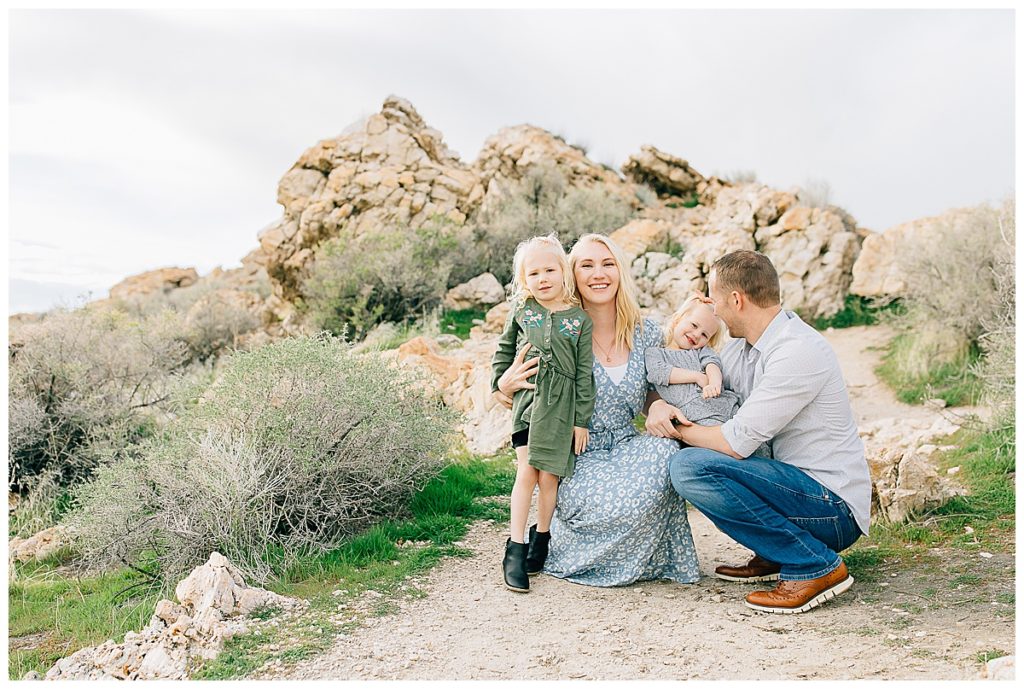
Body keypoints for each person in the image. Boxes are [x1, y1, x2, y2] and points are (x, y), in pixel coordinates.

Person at [648, 250, 871, 614]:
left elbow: (735, 443)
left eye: (716, 299)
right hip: (794, 489)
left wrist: (676, 430)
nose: (714, 311)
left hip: (833, 508)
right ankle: (776, 554)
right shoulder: (742, 347)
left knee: (690, 466)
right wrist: (657, 402)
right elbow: (682, 365)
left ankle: (813, 564)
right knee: (695, 458)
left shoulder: (798, 351)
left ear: (736, 299)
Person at [494, 233, 701, 587]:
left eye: (607, 264)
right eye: (586, 265)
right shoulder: (556, 327)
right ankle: (554, 540)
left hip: (626, 443)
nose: (598, 274)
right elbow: (512, 380)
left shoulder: (647, 332)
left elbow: (656, 388)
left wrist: (658, 405)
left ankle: (639, 550)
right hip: (574, 448)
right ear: (570, 274)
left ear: (620, 271)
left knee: (667, 454)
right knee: (610, 504)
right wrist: (502, 386)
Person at [491, 234, 595, 593]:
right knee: (526, 472)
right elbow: (503, 353)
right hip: (529, 403)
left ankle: (542, 538)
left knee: (550, 479)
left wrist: (581, 419)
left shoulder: (579, 320)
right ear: (524, 279)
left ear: (564, 272)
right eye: (534, 273)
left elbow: (585, 374)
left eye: (550, 269)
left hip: (563, 410)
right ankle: (515, 548)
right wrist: (498, 386)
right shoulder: (522, 311)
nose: (543, 278)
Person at [645, 294, 771, 459]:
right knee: (722, 445)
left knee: (750, 439)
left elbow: (713, 365)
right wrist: (696, 377)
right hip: (696, 416)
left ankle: (766, 464)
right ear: (677, 319)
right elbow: (658, 372)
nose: (696, 334)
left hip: (722, 405)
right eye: (694, 325)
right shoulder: (655, 353)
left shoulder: (701, 352)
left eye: (705, 335)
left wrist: (714, 383)